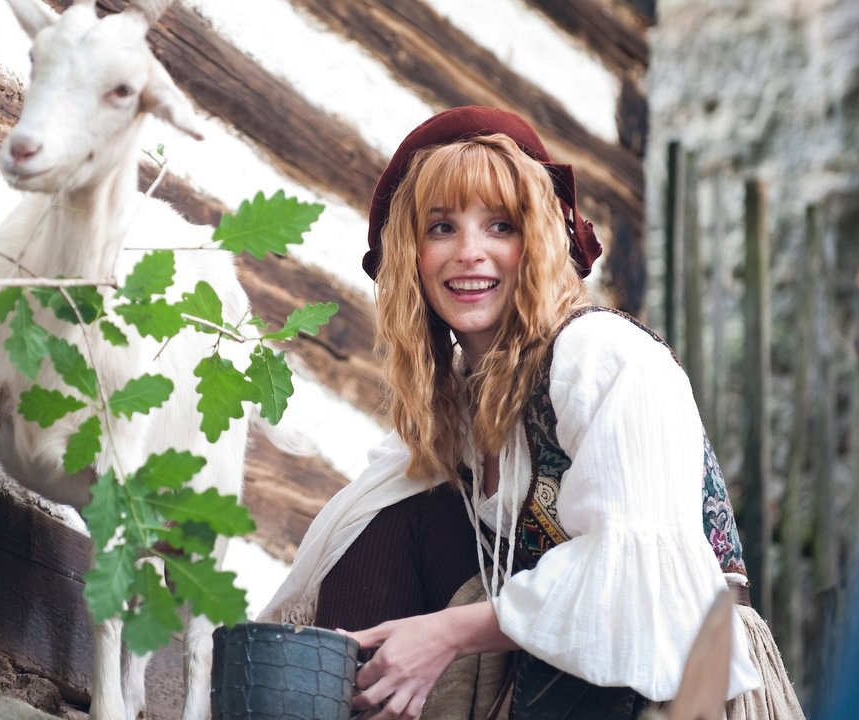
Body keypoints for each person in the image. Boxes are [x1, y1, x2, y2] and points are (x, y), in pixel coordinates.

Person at [258, 106, 802, 718]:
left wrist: (444, 634)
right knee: (389, 515)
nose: (469, 252)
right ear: (410, 257)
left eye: (500, 226)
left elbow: (631, 589)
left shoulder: (601, 354)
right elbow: (353, 536)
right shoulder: (459, 408)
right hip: (547, 684)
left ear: (539, 241)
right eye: (441, 228)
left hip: (672, 686)